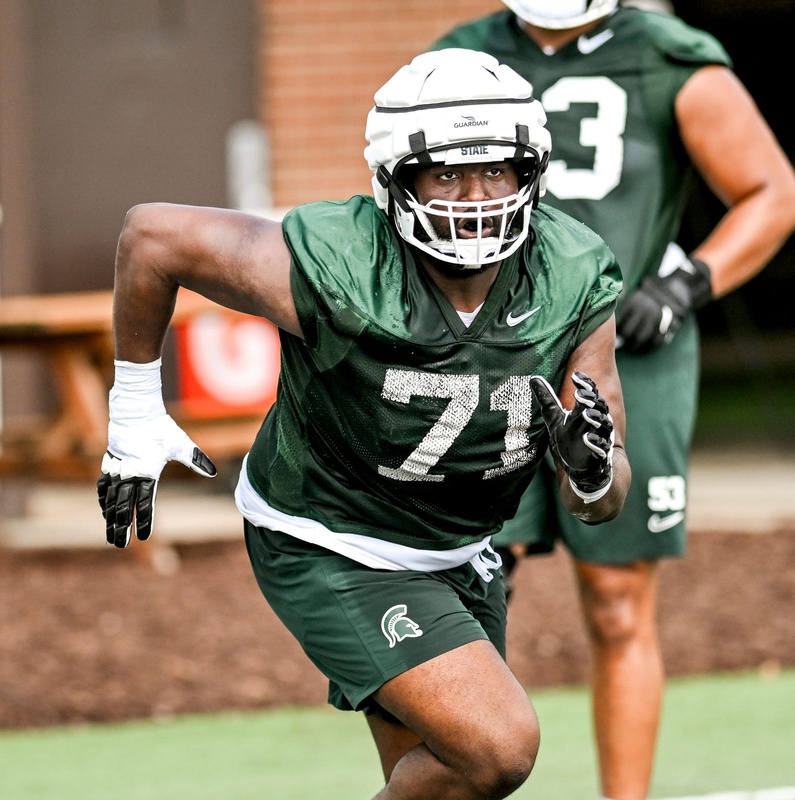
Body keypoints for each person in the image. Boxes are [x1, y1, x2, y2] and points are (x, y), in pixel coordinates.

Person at [96, 48, 631, 800]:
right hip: (330, 536)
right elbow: (151, 236)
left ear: (530, 172)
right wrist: (135, 408)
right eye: (447, 173)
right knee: (497, 747)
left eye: (495, 171)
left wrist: (592, 468)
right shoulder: (341, 262)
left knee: (444, 782)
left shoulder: (572, 272)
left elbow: (601, 505)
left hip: (455, 550)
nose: (475, 196)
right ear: (396, 179)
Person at [432, 4, 795, 798]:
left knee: (616, 598)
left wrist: (685, 282)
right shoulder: (459, 57)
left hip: (630, 351)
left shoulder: (669, 58)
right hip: (488, 352)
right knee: (473, 580)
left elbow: (773, 193)